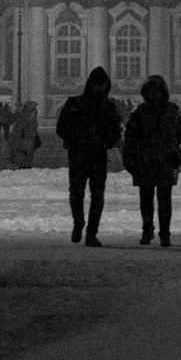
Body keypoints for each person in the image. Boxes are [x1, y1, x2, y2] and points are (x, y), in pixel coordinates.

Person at [122, 74, 181, 246]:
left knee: (164, 200)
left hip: (165, 160)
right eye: (151, 91)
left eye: (157, 91)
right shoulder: (140, 112)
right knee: (147, 200)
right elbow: (130, 139)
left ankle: (164, 233)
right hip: (145, 161)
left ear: (163, 92)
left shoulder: (171, 110)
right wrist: (129, 160)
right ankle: (147, 230)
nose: (154, 95)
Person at [56, 67, 124, 246]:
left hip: (97, 156)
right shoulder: (74, 103)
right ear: (91, 85)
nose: (100, 88)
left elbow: (115, 132)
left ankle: (91, 233)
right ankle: (78, 222)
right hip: (79, 155)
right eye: (97, 85)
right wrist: (79, 137)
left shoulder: (108, 107)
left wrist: (104, 142)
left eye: (103, 85)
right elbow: (61, 128)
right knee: (76, 192)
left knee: (97, 195)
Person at [8, 99, 41, 169]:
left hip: (27, 139)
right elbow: (19, 129)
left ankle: (25, 166)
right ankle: (24, 166)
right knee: (24, 154)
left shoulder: (28, 117)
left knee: (25, 153)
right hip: (25, 140)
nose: (35, 113)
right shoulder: (25, 117)